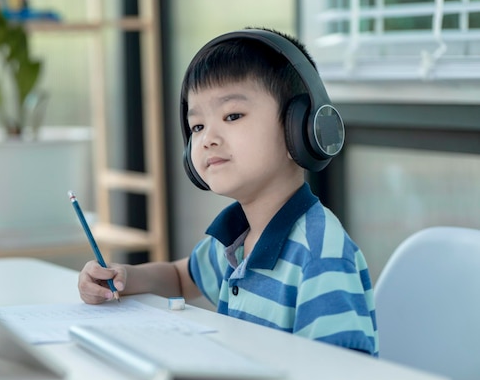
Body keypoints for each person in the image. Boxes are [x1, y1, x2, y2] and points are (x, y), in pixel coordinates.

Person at [77, 27, 378, 356]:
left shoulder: (320, 253)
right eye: (197, 126)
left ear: (301, 128)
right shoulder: (236, 240)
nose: (207, 139)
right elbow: (180, 278)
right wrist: (123, 278)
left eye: (232, 115)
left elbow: (344, 375)